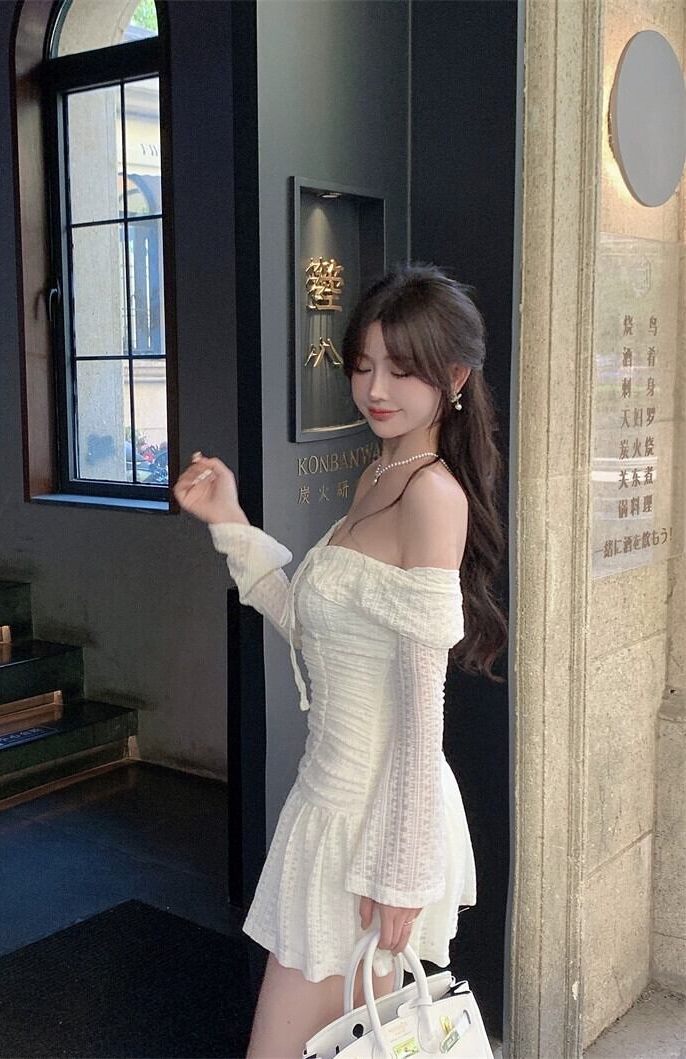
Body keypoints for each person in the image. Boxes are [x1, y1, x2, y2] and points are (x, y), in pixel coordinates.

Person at [173, 261, 507, 1058]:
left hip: (374, 826)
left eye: (401, 368)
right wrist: (229, 520)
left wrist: (400, 875)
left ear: (454, 377)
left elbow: (423, 709)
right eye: (363, 365)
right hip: (330, 809)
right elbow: (312, 622)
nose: (375, 388)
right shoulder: (380, 471)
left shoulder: (432, 495)